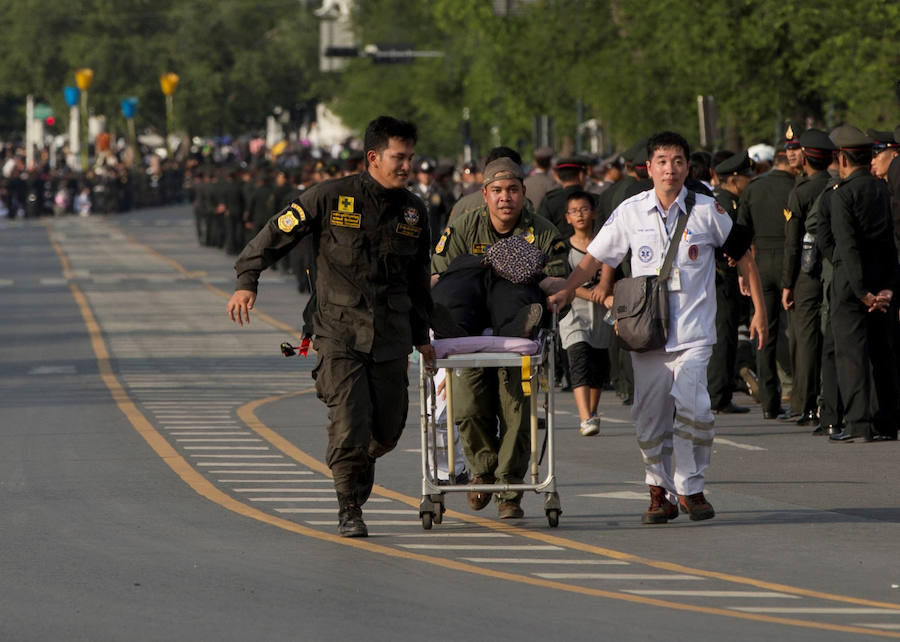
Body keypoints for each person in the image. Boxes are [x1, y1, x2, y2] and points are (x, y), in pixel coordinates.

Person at [227, 116, 435, 538]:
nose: (406, 165)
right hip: (338, 331)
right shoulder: (329, 197)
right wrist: (247, 280)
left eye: (410, 157)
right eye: (399, 157)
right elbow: (276, 233)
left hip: (391, 336)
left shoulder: (414, 212)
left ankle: (361, 460)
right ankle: (349, 506)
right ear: (374, 157)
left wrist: (423, 337)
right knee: (349, 418)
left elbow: (417, 283)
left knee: (388, 430)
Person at [549, 131, 767, 524]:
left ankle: (690, 488)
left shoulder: (708, 209)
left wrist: (759, 311)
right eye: (663, 162)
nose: (671, 169)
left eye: (678, 161)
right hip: (646, 333)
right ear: (649, 168)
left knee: (696, 410)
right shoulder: (630, 212)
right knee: (650, 418)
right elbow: (594, 257)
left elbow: (744, 256)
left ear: (688, 167)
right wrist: (566, 290)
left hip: (694, 333)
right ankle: (658, 491)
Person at [431, 157, 569, 519]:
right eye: (497, 191)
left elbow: (559, 283)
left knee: (516, 410)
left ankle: (509, 489)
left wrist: (550, 288)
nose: (505, 197)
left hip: (515, 330)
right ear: (485, 194)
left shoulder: (542, 232)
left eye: (512, 190)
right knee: (467, 405)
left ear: (523, 193)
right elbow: (437, 276)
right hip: (471, 327)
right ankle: (482, 472)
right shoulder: (464, 228)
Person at [827, 125, 899, 442]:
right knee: (883, 352)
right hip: (882, 282)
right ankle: (888, 421)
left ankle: (859, 423)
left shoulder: (842, 194)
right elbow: (890, 241)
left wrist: (862, 292)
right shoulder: (882, 189)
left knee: (852, 355)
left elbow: (847, 247)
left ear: (843, 159)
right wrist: (888, 287)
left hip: (852, 286)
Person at [737, 137, 798, 419]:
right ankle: (801, 396)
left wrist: (743, 273)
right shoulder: (796, 186)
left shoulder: (753, 188)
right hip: (790, 260)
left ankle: (769, 402)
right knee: (797, 332)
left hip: (759, 262)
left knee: (763, 332)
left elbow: (741, 234)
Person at [780, 129, 836, 428]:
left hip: (806, 273)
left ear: (806, 157)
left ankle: (805, 402)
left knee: (806, 339)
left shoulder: (800, 192)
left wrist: (787, 283)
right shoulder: (834, 184)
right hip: (832, 269)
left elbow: (793, 244)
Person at [558, 190, 613, 436]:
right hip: (573, 313)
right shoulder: (563, 248)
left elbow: (613, 269)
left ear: (593, 212)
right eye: (574, 211)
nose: (579, 215)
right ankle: (585, 417)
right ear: (567, 217)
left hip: (601, 313)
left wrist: (606, 290)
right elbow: (564, 283)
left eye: (584, 209)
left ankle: (592, 411)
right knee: (578, 357)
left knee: (598, 363)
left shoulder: (605, 243)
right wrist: (594, 294)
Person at [708, 151, 755, 414]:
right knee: (723, 337)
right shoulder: (724, 205)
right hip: (723, 279)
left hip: (726, 279)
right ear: (734, 180)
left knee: (727, 335)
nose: (750, 180)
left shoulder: (728, 202)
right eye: (747, 176)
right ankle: (718, 395)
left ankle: (720, 392)